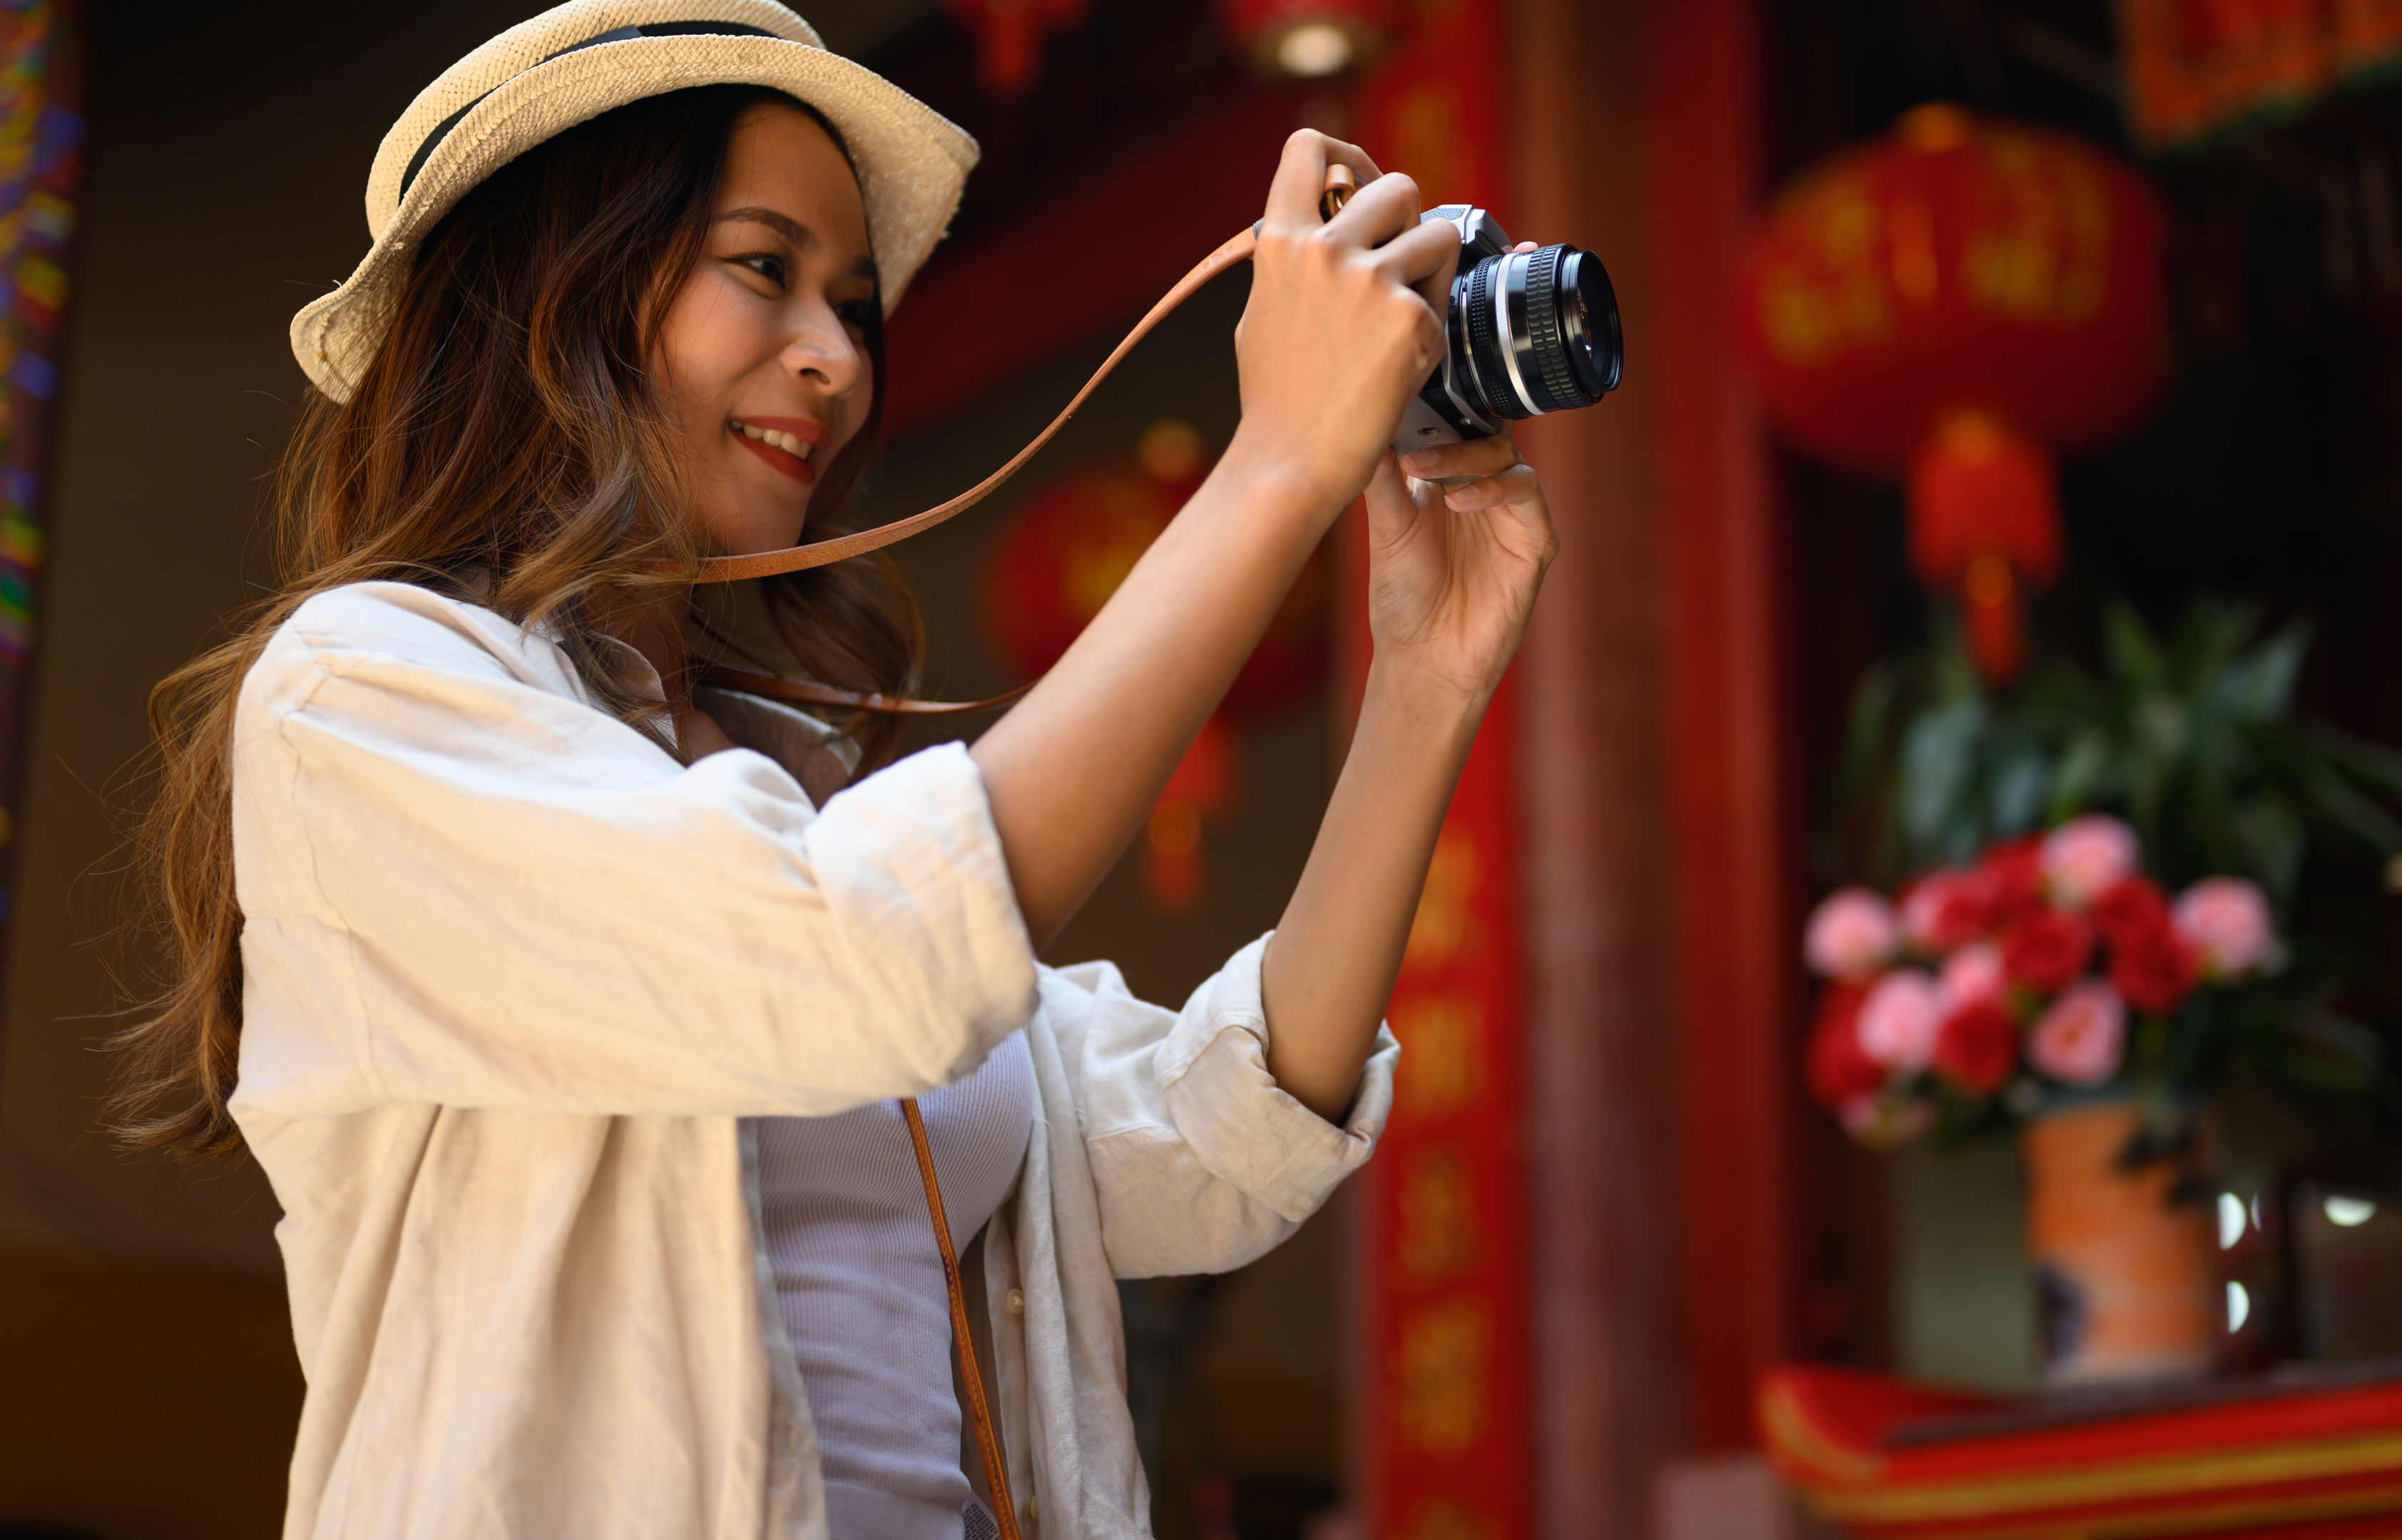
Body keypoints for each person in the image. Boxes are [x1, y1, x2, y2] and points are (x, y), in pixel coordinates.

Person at [109, 5, 1555, 1538]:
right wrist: (1276, 470)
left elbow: (1212, 1141)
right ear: (559, 292)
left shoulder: (794, 796)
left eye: (854, 306)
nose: (836, 359)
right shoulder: (362, 699)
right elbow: (861, 949)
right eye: (763, 269)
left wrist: (1423, 680)